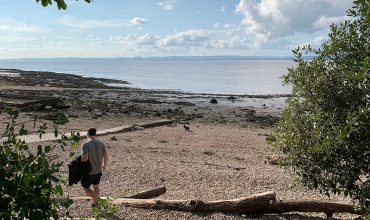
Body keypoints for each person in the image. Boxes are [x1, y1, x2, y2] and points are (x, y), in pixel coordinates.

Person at [80, 128, 108, 206]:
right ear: (95, 134)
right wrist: (104, 165)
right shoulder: (101, 143)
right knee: (96, 186)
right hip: (98, 170)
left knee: (85, 187)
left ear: (88, 134)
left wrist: (78, 161)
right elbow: (105, 155)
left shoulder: (85, 145)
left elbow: (85, 158)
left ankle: (96, 199)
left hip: (89, 171)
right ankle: (94, 203)